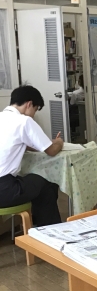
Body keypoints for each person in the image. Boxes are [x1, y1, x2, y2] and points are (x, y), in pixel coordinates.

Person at [0, 85, 64, 227]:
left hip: (4, 187)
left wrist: (46, 143)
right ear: (29, 104)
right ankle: (48, 229)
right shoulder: (24, 121)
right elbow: (52, 151)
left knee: (34, 182)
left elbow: (17, 143)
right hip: (4, 190)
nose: (33, 115)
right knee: (47, 181)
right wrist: (59, 142)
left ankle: (42, 226)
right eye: (35, 110)